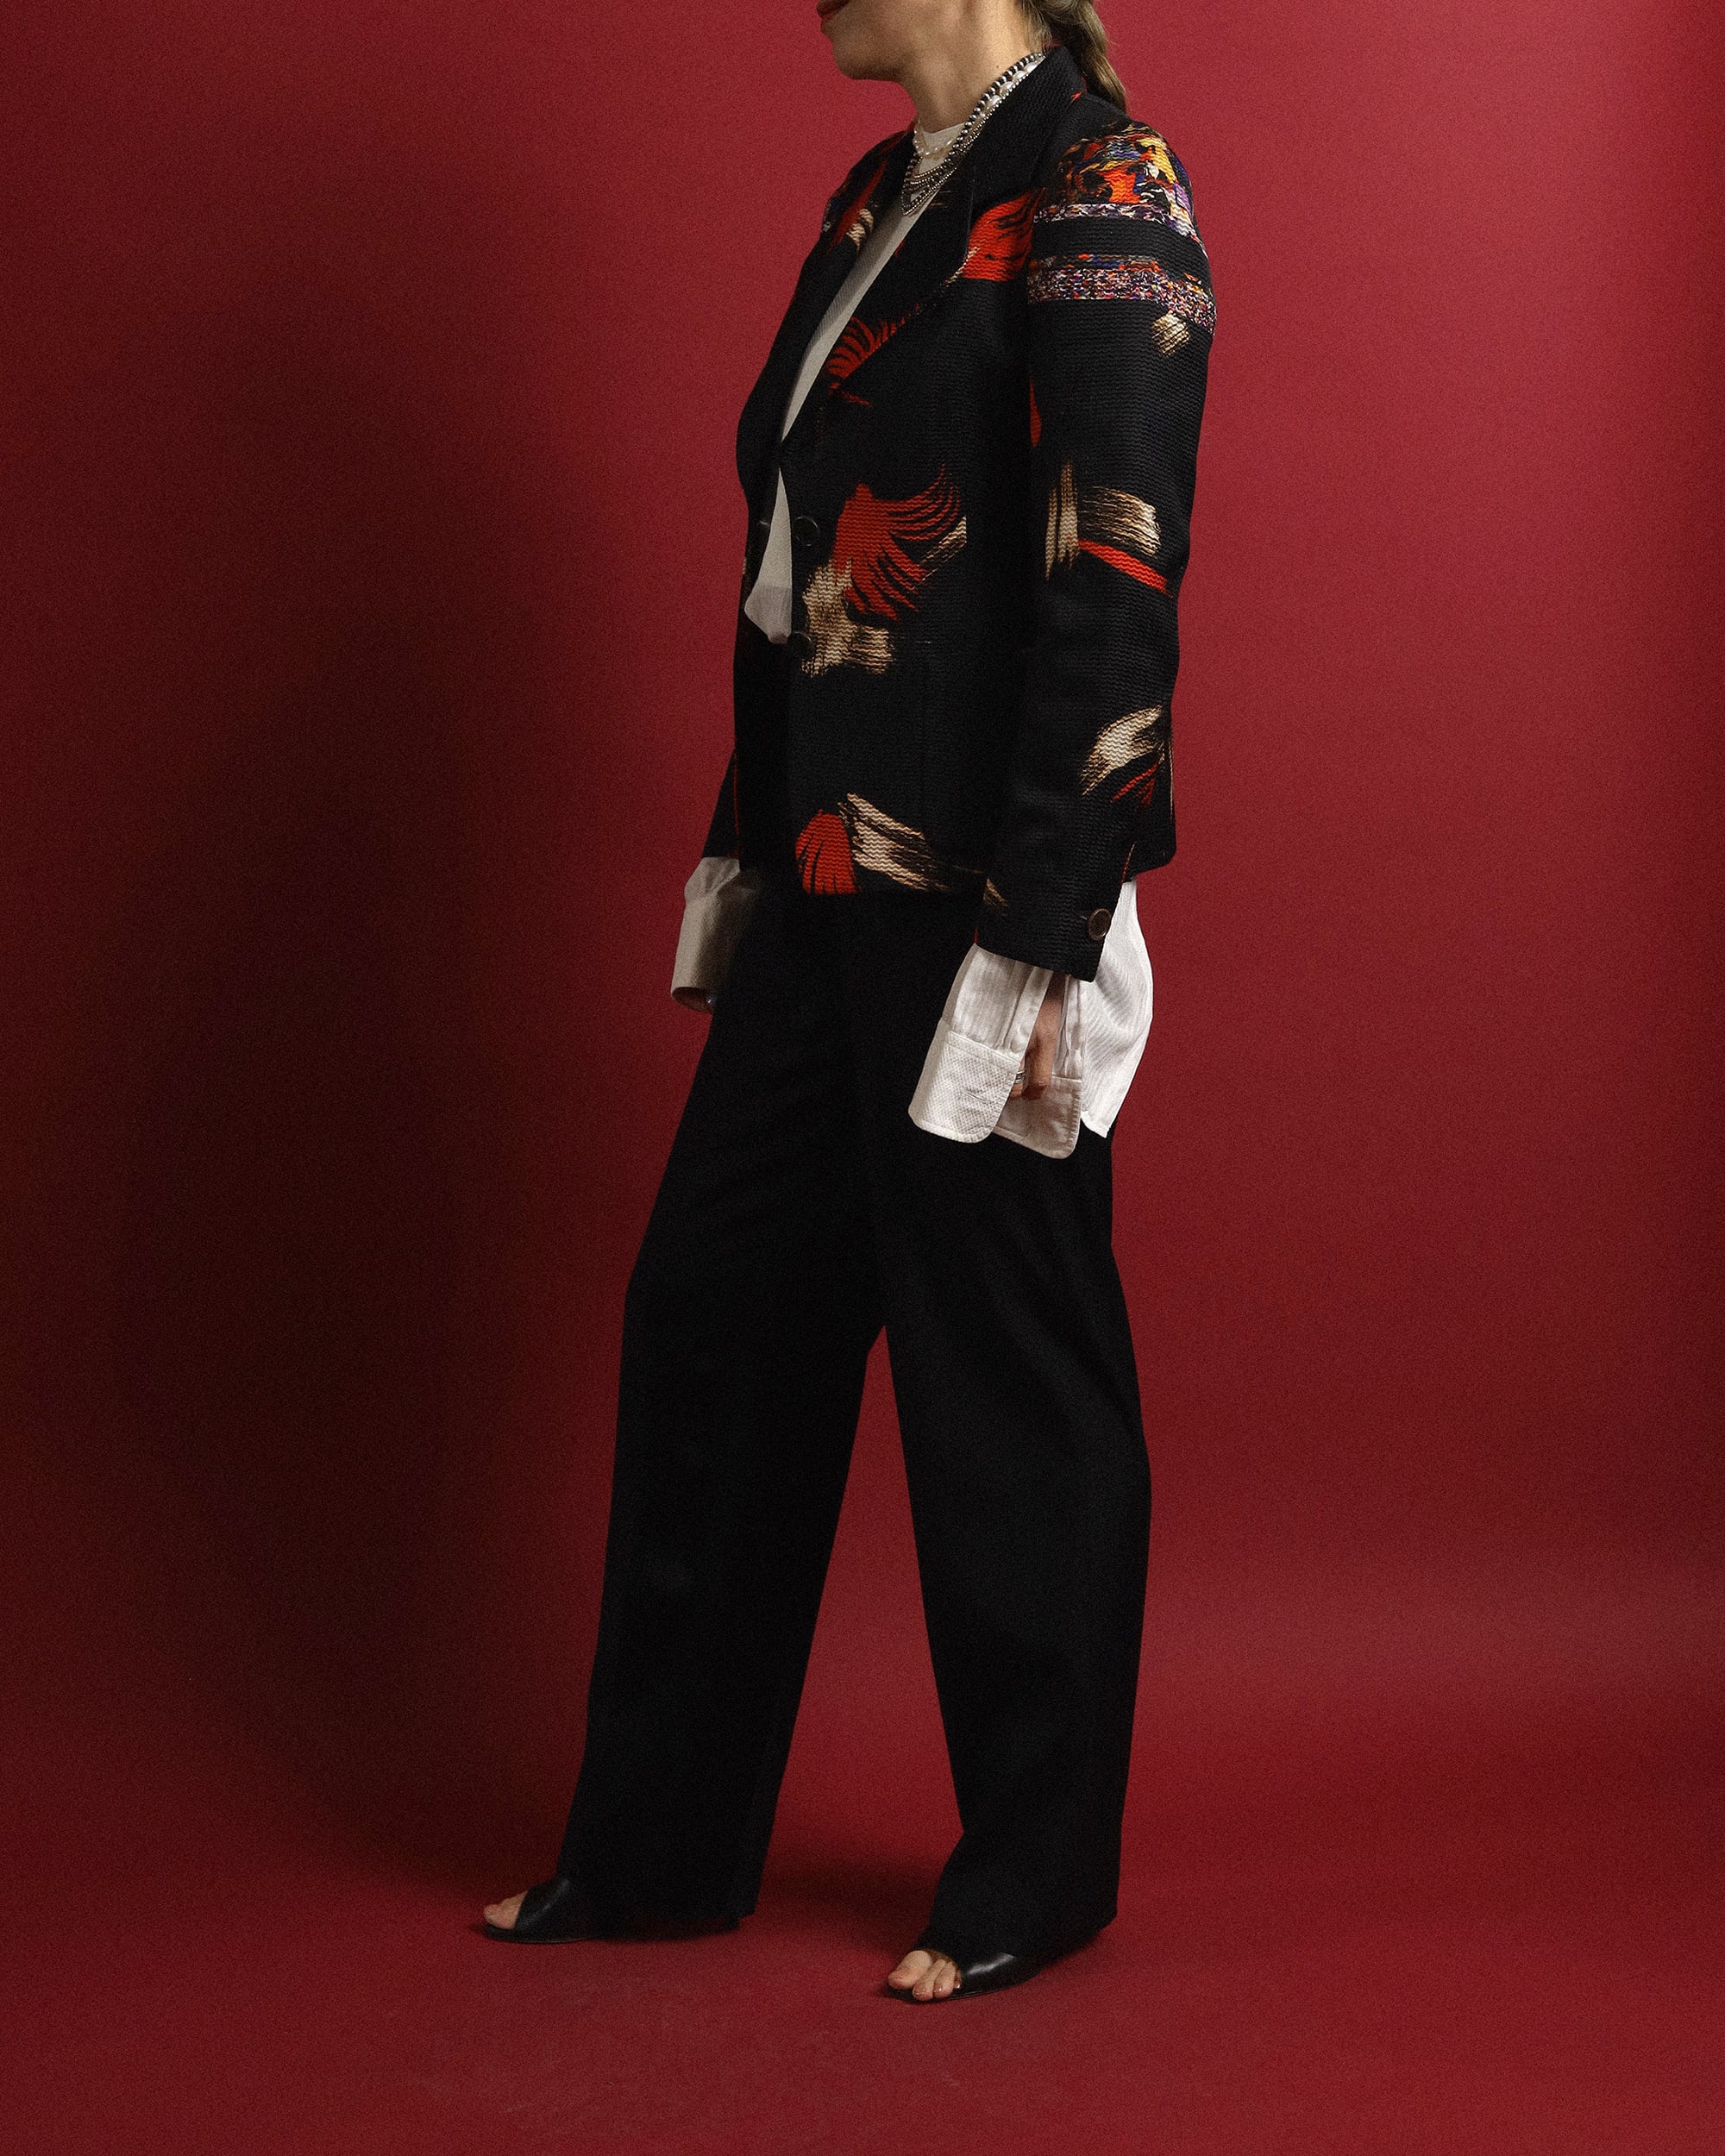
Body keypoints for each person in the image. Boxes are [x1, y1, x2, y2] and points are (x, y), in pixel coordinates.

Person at [484, 0, 1214, 2003]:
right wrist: (746, 843)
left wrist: (1048, 927)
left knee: (1006, 1369)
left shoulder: (1104, 183)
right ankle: (651, 1851)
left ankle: (1033, 1874)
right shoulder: (878, 196)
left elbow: (1117, 579)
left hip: (983, 894)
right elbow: (795, 568)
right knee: (713, 1317)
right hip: (825, 875)